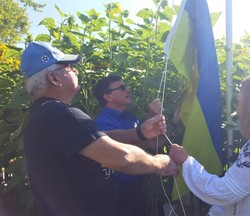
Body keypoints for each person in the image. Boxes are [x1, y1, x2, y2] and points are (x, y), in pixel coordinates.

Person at [20, 41, 179, 216]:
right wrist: (159, 162)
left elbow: (94, 139)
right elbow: (123, 157)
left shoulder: (43, 114)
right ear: (54, 78)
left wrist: (140, 132)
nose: (75, 70)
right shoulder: (63, 114)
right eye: (68, 67)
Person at [170, 73, 250, 215]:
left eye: (243, 93)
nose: (238, 97)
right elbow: (245, 192)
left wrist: (186, 161)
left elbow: (225, 192)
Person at [93, 75, 168, 216]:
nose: (128, 89)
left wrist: (173, 122)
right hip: (118, 191)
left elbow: (150, 145)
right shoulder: (103, 122)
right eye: (122, 88)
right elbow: (125, 152)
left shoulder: (130, 118)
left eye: (126, 86)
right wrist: (149, 121)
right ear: (107, 96)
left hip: (137, 188)